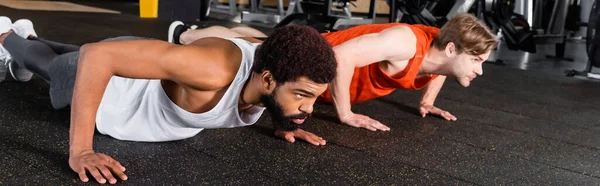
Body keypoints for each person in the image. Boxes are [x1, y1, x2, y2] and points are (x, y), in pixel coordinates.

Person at [0, 16, 337, 184]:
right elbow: (97, 58)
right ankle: (7, 35)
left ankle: (30, 34)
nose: (308, 108)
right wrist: (81, 151)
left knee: (68, 55)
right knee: (50, 66)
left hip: (148, 62)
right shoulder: (213, 71)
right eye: (303, 97)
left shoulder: (273, 67)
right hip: (119, 91)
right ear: (267, 79)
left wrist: (284, 119)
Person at [167, 13, 498, 132]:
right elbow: (339, 56)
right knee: (253, 51)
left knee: (257, 40)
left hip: (321, 82)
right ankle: (187, 36)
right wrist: (346, 114)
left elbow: (439, 71)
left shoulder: (440, 52)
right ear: (453, 49)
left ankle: (196, 33)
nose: (480, 70)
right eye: (477, 60)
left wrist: (427, 102)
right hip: (316, 58)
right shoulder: (405, 43)